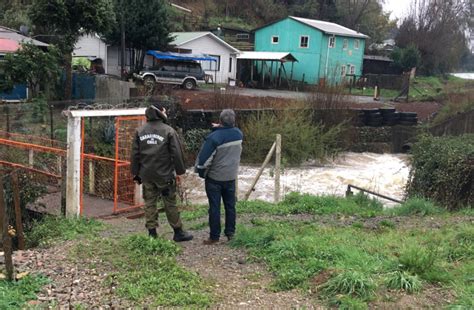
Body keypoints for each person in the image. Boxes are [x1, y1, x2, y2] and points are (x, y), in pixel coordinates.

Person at [131, 102, 193, 242]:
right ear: (161, 112)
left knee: (149, 203)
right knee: (170, 202)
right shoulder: (168, 131)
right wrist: (180, 171)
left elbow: (135, 155)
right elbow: (176, 153)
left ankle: (152, 234)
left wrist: (136, 173)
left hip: (146, 174)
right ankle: (178, 232)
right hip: (164, 175)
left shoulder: (139, 131)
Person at [196, 109, 243, 245]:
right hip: (231, 177)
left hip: (215, 178)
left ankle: (214, 237)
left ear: (220, 121)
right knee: (230, 206)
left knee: (214, 207)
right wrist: (220, 129)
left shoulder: (214, 138)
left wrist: (201, 173)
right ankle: (230, 233)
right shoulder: (239, 134)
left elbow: (204, 161)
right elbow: (228, 134)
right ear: (233, 121)